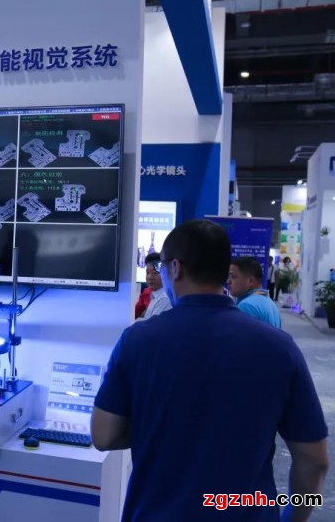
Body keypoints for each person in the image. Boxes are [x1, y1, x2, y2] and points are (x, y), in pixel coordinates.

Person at [92, 219, 328, 521]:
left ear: (175, 268)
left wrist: (156, 423)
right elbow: (314, 460)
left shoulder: (137, 341)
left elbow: (103, 435)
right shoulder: (280, 348)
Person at [228, 256, 282, 329]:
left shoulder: (247, 306)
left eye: (233, 277)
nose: (228, 281)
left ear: (250, 281)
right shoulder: (271, 304)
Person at [140, 252, 171, 320]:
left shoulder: (164, 298)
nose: (150, 277)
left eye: (155, 273)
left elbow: (152, 325)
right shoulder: (155, 295)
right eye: (148, 272)